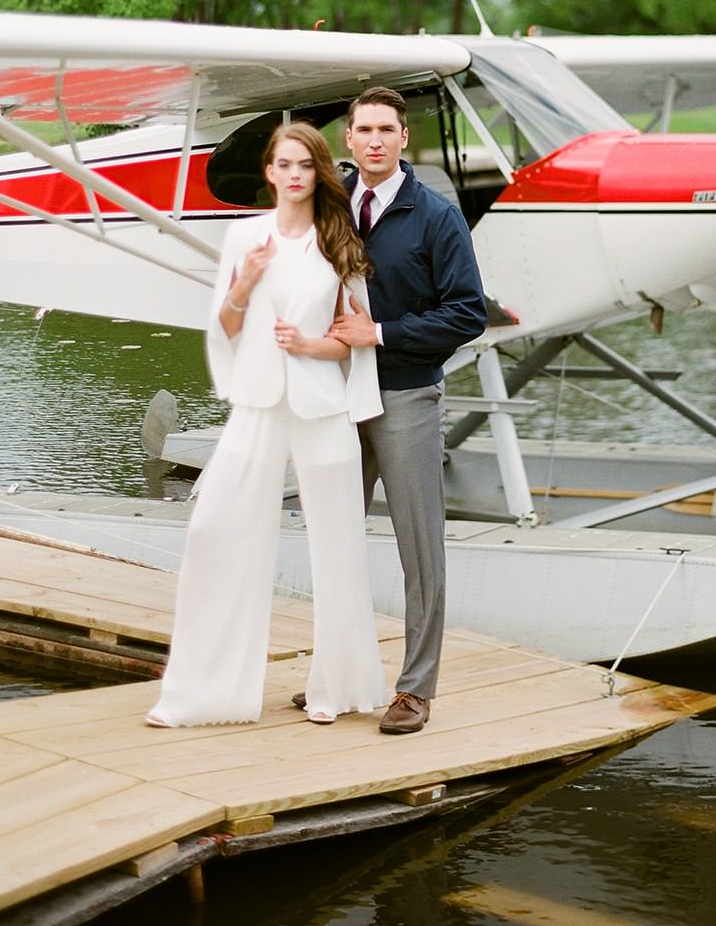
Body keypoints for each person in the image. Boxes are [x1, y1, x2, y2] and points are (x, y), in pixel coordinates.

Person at [146, 121, 387, 728]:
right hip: (256, 403)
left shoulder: (339, 241)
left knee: (339, 550)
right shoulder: (242, 237)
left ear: (318, 171)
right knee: (213, 531)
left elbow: (353, 344)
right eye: (284, 164)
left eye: (306, 164)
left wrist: (310, 346)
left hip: (320, 407)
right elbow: (223, 329)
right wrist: (245, 284)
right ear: (269, 172)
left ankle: (337, 691)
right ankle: (203, 696)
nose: (295, 174)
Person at [324, 85, 487, 735]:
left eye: (386, 130)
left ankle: (416, 690)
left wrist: (382, 333)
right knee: (335, 540)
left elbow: (467, 312)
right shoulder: (330, 206)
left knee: (419, 548)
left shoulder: (436, 217)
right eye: (363, 130)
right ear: (348, 140)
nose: (374, 140)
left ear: (404, 139)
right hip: (335, 396)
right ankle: (336, 677)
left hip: (404, 394)